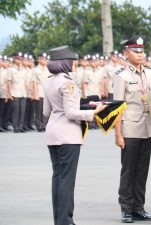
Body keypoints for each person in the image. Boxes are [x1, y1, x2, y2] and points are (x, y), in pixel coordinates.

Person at [43, 45, 107, 225]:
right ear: (65, 63)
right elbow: (71, 113)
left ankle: (59, 219)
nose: (74, 64)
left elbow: (47, 111)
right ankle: (66, 220)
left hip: (53, 132)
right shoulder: (67, 83)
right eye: (72, 61)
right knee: (67, 180)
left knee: (58, 177)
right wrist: (94, 112)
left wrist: (84, 105)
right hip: (67, 135)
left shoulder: (48, 81)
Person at [113, 35, 151, 223]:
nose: (139, 55)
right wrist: (118, 133)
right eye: (135, 51)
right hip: (130, 128)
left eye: (141, 51)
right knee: (129, 170)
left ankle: (139, 207)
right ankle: (126, 208)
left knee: (142, 170)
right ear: (126, 53)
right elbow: (117, 107)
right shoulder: (121, 76)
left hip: (148, 128)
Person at [7, 52, 27, 133]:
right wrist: (9, 94)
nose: (20, 60)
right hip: (15, 92)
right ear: (14, 59)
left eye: (21, 59)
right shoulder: (11, 70)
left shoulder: (24, 70)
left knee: (22, 110)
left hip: (23, 93)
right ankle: (16, 127)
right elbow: (9, 82)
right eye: (18, 59)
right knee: (16, 111)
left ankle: (21, 126)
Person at [32, 52, 51, 132]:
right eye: (43, 59)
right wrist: (35, 94)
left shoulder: (49, 69)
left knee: (46, 110)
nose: (45, 60)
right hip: (39, 91)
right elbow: (34, 83)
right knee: (39, 110)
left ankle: (45, 124)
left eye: (46, 59)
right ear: (39, 60)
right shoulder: (35, 70)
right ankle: (39, 125)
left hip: (47, 92)